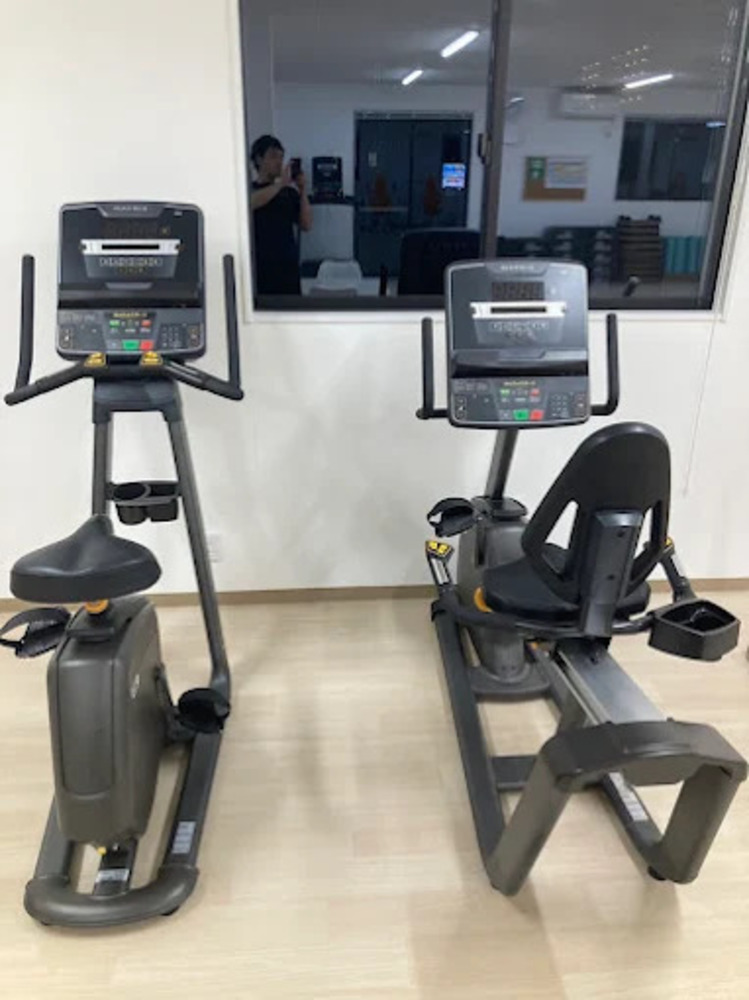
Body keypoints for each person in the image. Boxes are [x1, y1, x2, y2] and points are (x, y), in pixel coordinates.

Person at [250, 134, 313, 296]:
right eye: (273, 156)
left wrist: (302, 190)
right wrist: (280, 184)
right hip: (261, 267)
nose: (278, 162)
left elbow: (306, 224)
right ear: (258, 159)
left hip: (288, 267)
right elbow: (251, 203)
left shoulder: (288, 193)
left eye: (281, 157)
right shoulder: (249, 189)